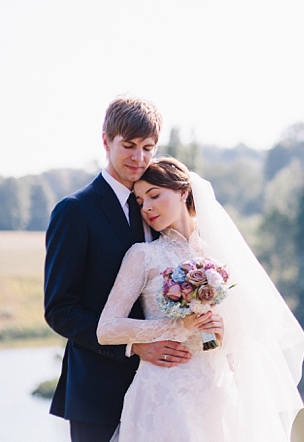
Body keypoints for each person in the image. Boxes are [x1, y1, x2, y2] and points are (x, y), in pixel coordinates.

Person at [97, 157, 304, 442]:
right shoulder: (143, 256)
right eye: (139, 200)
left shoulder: (218, 255)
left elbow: (243, 339)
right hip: (163, 393)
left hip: (216, 393)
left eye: (154, 195)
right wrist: (178, 327)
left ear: (183, 192)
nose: (146, 207)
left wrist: (221, 332)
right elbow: (107, 329)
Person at [44, 97, 193, 442]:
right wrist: (133, 346)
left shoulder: (156, 209)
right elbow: (60, 310)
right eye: (128, 146)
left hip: (164, 391)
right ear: (105, 141)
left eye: (147, 148)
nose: (138, 158)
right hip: (97, 392)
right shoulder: (75, 211)